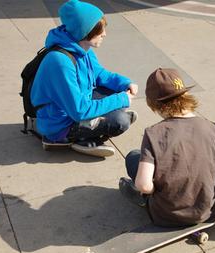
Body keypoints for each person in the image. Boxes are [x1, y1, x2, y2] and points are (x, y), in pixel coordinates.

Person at [119, 68, 215, 227]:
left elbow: (144, 185)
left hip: (165, 214)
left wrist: (154, 192)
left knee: (134, 157)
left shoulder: (154, 133)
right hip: (205, 211)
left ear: (154, 104)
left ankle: (145, 200)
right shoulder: (214, 129)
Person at [30, 0, 138, 158]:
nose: (104, 34)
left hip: (75, 104)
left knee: (117, 97)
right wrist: (121, 99)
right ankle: (72, 138)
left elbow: (99, 74)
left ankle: (98, 124)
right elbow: (79, 110)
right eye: (100, 31)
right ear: (85, 31)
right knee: (120, 121)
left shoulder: (80, 47)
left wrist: (124, 83)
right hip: (58, 124)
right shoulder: (60, 61)